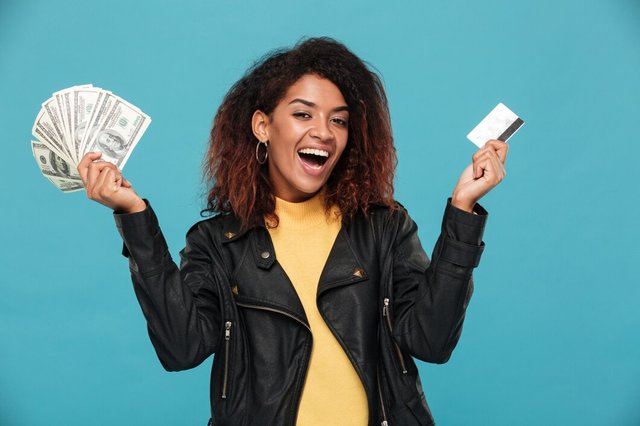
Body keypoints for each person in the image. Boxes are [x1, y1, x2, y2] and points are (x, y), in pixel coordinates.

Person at [77, 37, 508, 426]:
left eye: (338, 121)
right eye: (303, 113)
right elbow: (182, 348)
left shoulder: (383, 227)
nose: (323, 131)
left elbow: (431, 342)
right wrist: (134, 218)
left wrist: (462, 211)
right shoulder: (218, 244)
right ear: (263, 126)